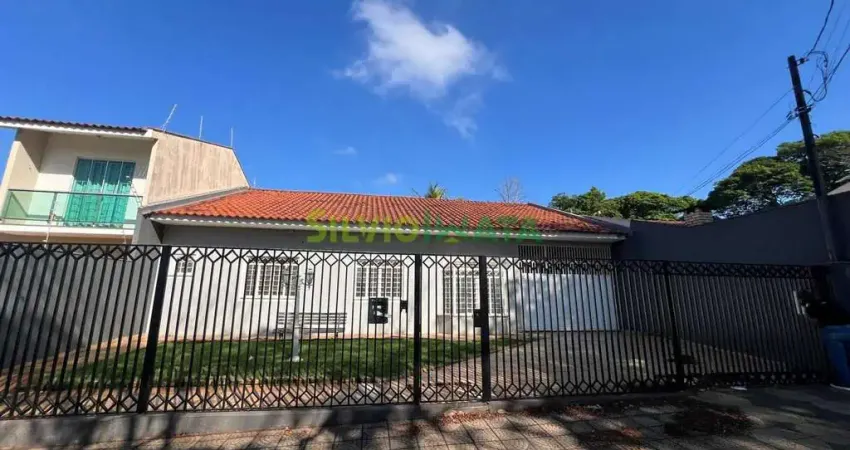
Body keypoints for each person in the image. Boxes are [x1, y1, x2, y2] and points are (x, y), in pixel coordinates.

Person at [798, 289, 850, 391]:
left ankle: (846, 382)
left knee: (840, 361)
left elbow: (813, 320)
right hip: (848, 330)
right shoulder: (832, 303)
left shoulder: (812, 307)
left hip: (832, 332)